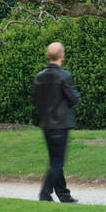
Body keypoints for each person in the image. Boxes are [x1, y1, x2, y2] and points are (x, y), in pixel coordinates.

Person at [32, 41, 80, 203]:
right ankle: (44, 194)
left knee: (55, 161)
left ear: (48, 56)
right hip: (61, 123)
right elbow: (74, 99)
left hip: (46, 124)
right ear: (62, 55)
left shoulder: (39, 77)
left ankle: (63, 194)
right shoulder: (65, 76)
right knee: (57, 162)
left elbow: (36, 100)